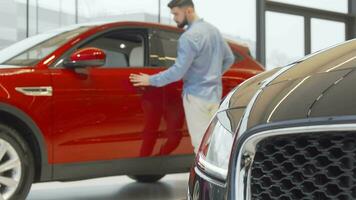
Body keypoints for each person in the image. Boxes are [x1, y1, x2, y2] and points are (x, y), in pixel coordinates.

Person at [129, 0, 234, 153]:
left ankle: (204, 177)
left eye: (176, 14)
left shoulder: (189, 37)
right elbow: (229, 58)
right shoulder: (213, 31)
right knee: (214, 143)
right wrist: (212, 76)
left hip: (196, 97)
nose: (174, 18)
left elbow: (178, 71)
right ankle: (223, 176)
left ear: (189, 11)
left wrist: (150, 80)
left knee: (201, 145)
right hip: (214, 95)